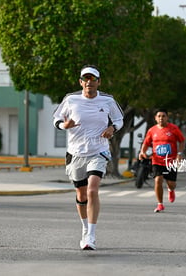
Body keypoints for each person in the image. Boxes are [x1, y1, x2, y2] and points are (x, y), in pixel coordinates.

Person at [52, 65, 124, 250]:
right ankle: (85, 228)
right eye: (86, 79)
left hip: (98, 151)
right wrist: (64, 125)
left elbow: (119, 119)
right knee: (81, 194)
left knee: (92, 190)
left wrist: (112, 129)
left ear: (99, 82)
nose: (89, 82)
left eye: (93, 79)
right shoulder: (71, 99)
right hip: (75, 153)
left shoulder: (107, 100)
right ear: (81, 82)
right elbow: (56, 118)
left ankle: (91, 235)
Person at [138, 109, 185, 213]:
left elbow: (181, 141)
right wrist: (142, 152)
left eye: (163, 116)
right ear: (155, 118)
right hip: (157, 160)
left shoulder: (173, 128)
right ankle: (160, 204)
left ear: (167, 118)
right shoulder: (152, 130)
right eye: (159, 116)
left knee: (171, 183)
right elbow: (146, 143)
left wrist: (179, 154)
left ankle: (171, 190)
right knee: (158, 180)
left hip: (171, 161)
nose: (161, 118)